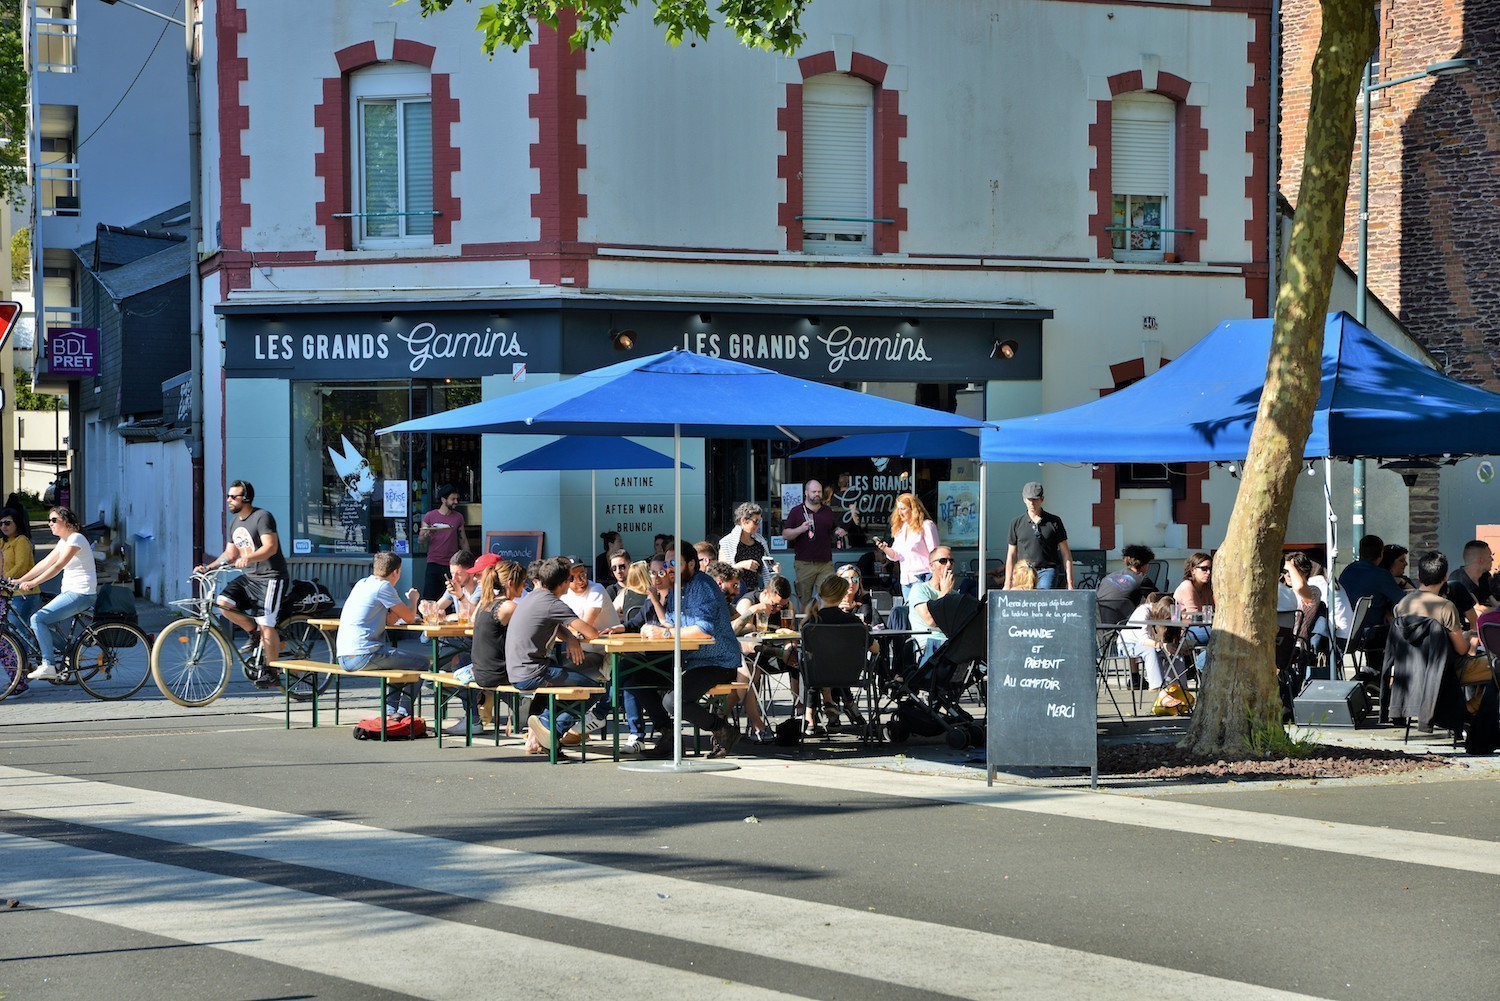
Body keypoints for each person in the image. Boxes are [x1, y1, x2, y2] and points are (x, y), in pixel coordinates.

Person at [639, 542, 744, 758]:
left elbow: (704, 631)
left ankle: (723, 730)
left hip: (718, 661)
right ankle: (669, 736)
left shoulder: (702, 586)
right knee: (636, 677)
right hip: (691, 660)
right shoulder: (677, 588)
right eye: (667, 563)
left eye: (675, 563)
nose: (669, 568)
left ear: (692, 564)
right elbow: (671, 622)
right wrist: (653, 628)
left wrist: (664, 634)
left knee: (673, 700)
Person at [505, 556, 604, 754]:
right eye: (569, 579)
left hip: (517, 671)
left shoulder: (533, 596)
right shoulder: (553, 603)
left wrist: (569, 638)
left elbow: (554, 623)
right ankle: (550, 727)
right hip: (534, 673)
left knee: (565, 681)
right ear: (563, 583)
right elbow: (591, 632)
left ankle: (544, 734)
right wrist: (575, 636)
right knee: (594, 690)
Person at [195, 480, 289, 689]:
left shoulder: (262, 517)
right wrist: (208, 567)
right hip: (250, 577)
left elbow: (271, 547)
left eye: (233, 496)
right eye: (228, 496)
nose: (228, 500)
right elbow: (230, 554)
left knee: (267, 623)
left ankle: (271, 670)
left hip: (270, 577)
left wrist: (250, 557)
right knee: (223, 602)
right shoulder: (235, 523)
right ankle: (254, 633)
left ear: (245, 499)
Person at [334, 551, 426, 718]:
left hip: (344, 656)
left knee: (397, 663)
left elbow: (390, 620)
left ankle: (391, 712)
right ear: (396, 572)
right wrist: (413, 600)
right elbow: (410, 618)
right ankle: (403, 712)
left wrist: (399, 609)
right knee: (422, 662)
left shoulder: (363, 583)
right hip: (364, 654)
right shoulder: (384, 587)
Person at [16, 507, 97, 682]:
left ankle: (48, 665)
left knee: (38, 619)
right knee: (36, 625)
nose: (50, 524)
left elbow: (57, 567)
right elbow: (45, 563)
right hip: (71, 592)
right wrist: (18, 580)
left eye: (54, 520)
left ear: (66, 522)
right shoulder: (64, 541)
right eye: (49, 520)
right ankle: (73, 651)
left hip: (81, 593)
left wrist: (33, 583)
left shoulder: (76, 538)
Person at [1394, 552, 1489, 696]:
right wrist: (1468, 636)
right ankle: (1472, 708)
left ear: (1419, 575)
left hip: (1410, 670)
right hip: (1444, 671)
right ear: (1445, 577)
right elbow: (1462, 649)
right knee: (1493, 665)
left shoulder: (1401, 605)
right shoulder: (1445, 606)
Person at [796, 574, 869, 736]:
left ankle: (812, 715)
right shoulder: (854, 622)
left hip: (818, 678)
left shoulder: (811, 624)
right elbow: (875, 649)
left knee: (809, 662)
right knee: (831, 663)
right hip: (850, 676)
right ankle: (835, 703)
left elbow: (808, 651)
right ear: (843, 595)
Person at [782, 479, 847, 608]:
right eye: (814, 492)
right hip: (804, 563)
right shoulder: (797, 511)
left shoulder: (827, 511)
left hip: (825, 563)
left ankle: (823, 625)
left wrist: (838, 531)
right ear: (806, 493)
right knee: (805, 601)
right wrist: (801, 528)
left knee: (827, 597)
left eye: (819, 491)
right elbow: (785, 535)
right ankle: (805, 626)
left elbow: (833, 529)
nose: (817, 494)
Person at [1005, 482, 1072, 589]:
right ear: (1024, 500)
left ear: (1042, 499)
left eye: (1035, 499)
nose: (1032, 503)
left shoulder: (1054, 521)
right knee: (1023, 602)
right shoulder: (1016, 523)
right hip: (1024, 570)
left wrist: (1070, 583)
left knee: (1042, 598)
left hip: (1047, 569)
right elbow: (1011, 555)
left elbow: (1066, 553)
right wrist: (1007, 583)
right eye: (1029, 499)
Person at [874, 492, 939, 601]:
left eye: (903, 509)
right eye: (898, 509)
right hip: (906, 580)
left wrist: (936, 578)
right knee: (910, 613)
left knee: (923, 613)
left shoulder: (926, 525)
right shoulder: (901, 529)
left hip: (924, 578)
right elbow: (895, 556)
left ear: (913, 509)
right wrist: (884, 548)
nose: (899, 513)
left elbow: (935, 553)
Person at [908, 545, 957, 664]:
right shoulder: (919, 589)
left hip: (952, 644)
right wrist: (944, 593)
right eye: (943, 561)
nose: (948, 565)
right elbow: (930, 620)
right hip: (930, 644)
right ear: (932, 566)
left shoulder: (955, 594)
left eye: (951, 561)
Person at [418, 485, 465, 600]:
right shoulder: (430, 516)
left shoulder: (458, 517)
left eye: (456, 499)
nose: (456, 502)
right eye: (453, 499)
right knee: (429, 597)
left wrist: (467, 558)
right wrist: (428, 533)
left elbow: (462, 539)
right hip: (434, 562)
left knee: (449, 598)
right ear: (443, 500)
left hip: (451, 564)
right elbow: (420, 540)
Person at [717, 501, 771, 600]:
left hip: (754, 591)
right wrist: (741, 565)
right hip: (734, 593)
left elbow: (766, 570)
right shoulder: (726, 542)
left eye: (760, 521)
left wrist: (773, 567)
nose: (758, 526)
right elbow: (722, 573)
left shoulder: (760, 542)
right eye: (756, 522)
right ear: (744, 521)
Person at [1095, 544, 1156, 625]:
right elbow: (1159, 599)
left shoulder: (1109, 577)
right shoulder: (1142, 579)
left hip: (1099, 627)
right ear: (1144, 564)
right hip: (1124, 628)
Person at [1, 508, 40, 624]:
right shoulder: (3, 542)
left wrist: (4, 579)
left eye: (7, 523)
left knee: (18, 633)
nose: (4, 526)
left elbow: (21, 567)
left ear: (17, 523)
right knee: (12, 633)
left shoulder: (21, 541)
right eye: (1, 523)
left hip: (23, 592)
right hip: (8, 593)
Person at [1446, 540, 1495, 629]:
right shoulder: (1458, 581)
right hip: (1465, 631)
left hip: (1486, 625)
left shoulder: (1485, 576)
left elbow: (1493, 601)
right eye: (1489, 556)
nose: (1492, 559)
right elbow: (1477, 611)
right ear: (1480, 560)